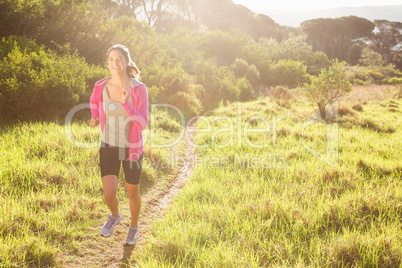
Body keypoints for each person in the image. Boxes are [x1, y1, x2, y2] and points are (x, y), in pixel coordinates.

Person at [89, 44, 148, 246]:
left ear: (127, 61)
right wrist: (95, 117)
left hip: (131, 148)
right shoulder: (101, 86)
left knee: (133, 193)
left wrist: (126, 103)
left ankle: (134, 228)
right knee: (109, 193)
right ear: (108, 63)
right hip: (108, 145)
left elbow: (143, 123)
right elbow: (94, 101)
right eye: (112, 59)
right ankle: (115, 216)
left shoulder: (139, 89)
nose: (115, 63)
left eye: (119, 58)